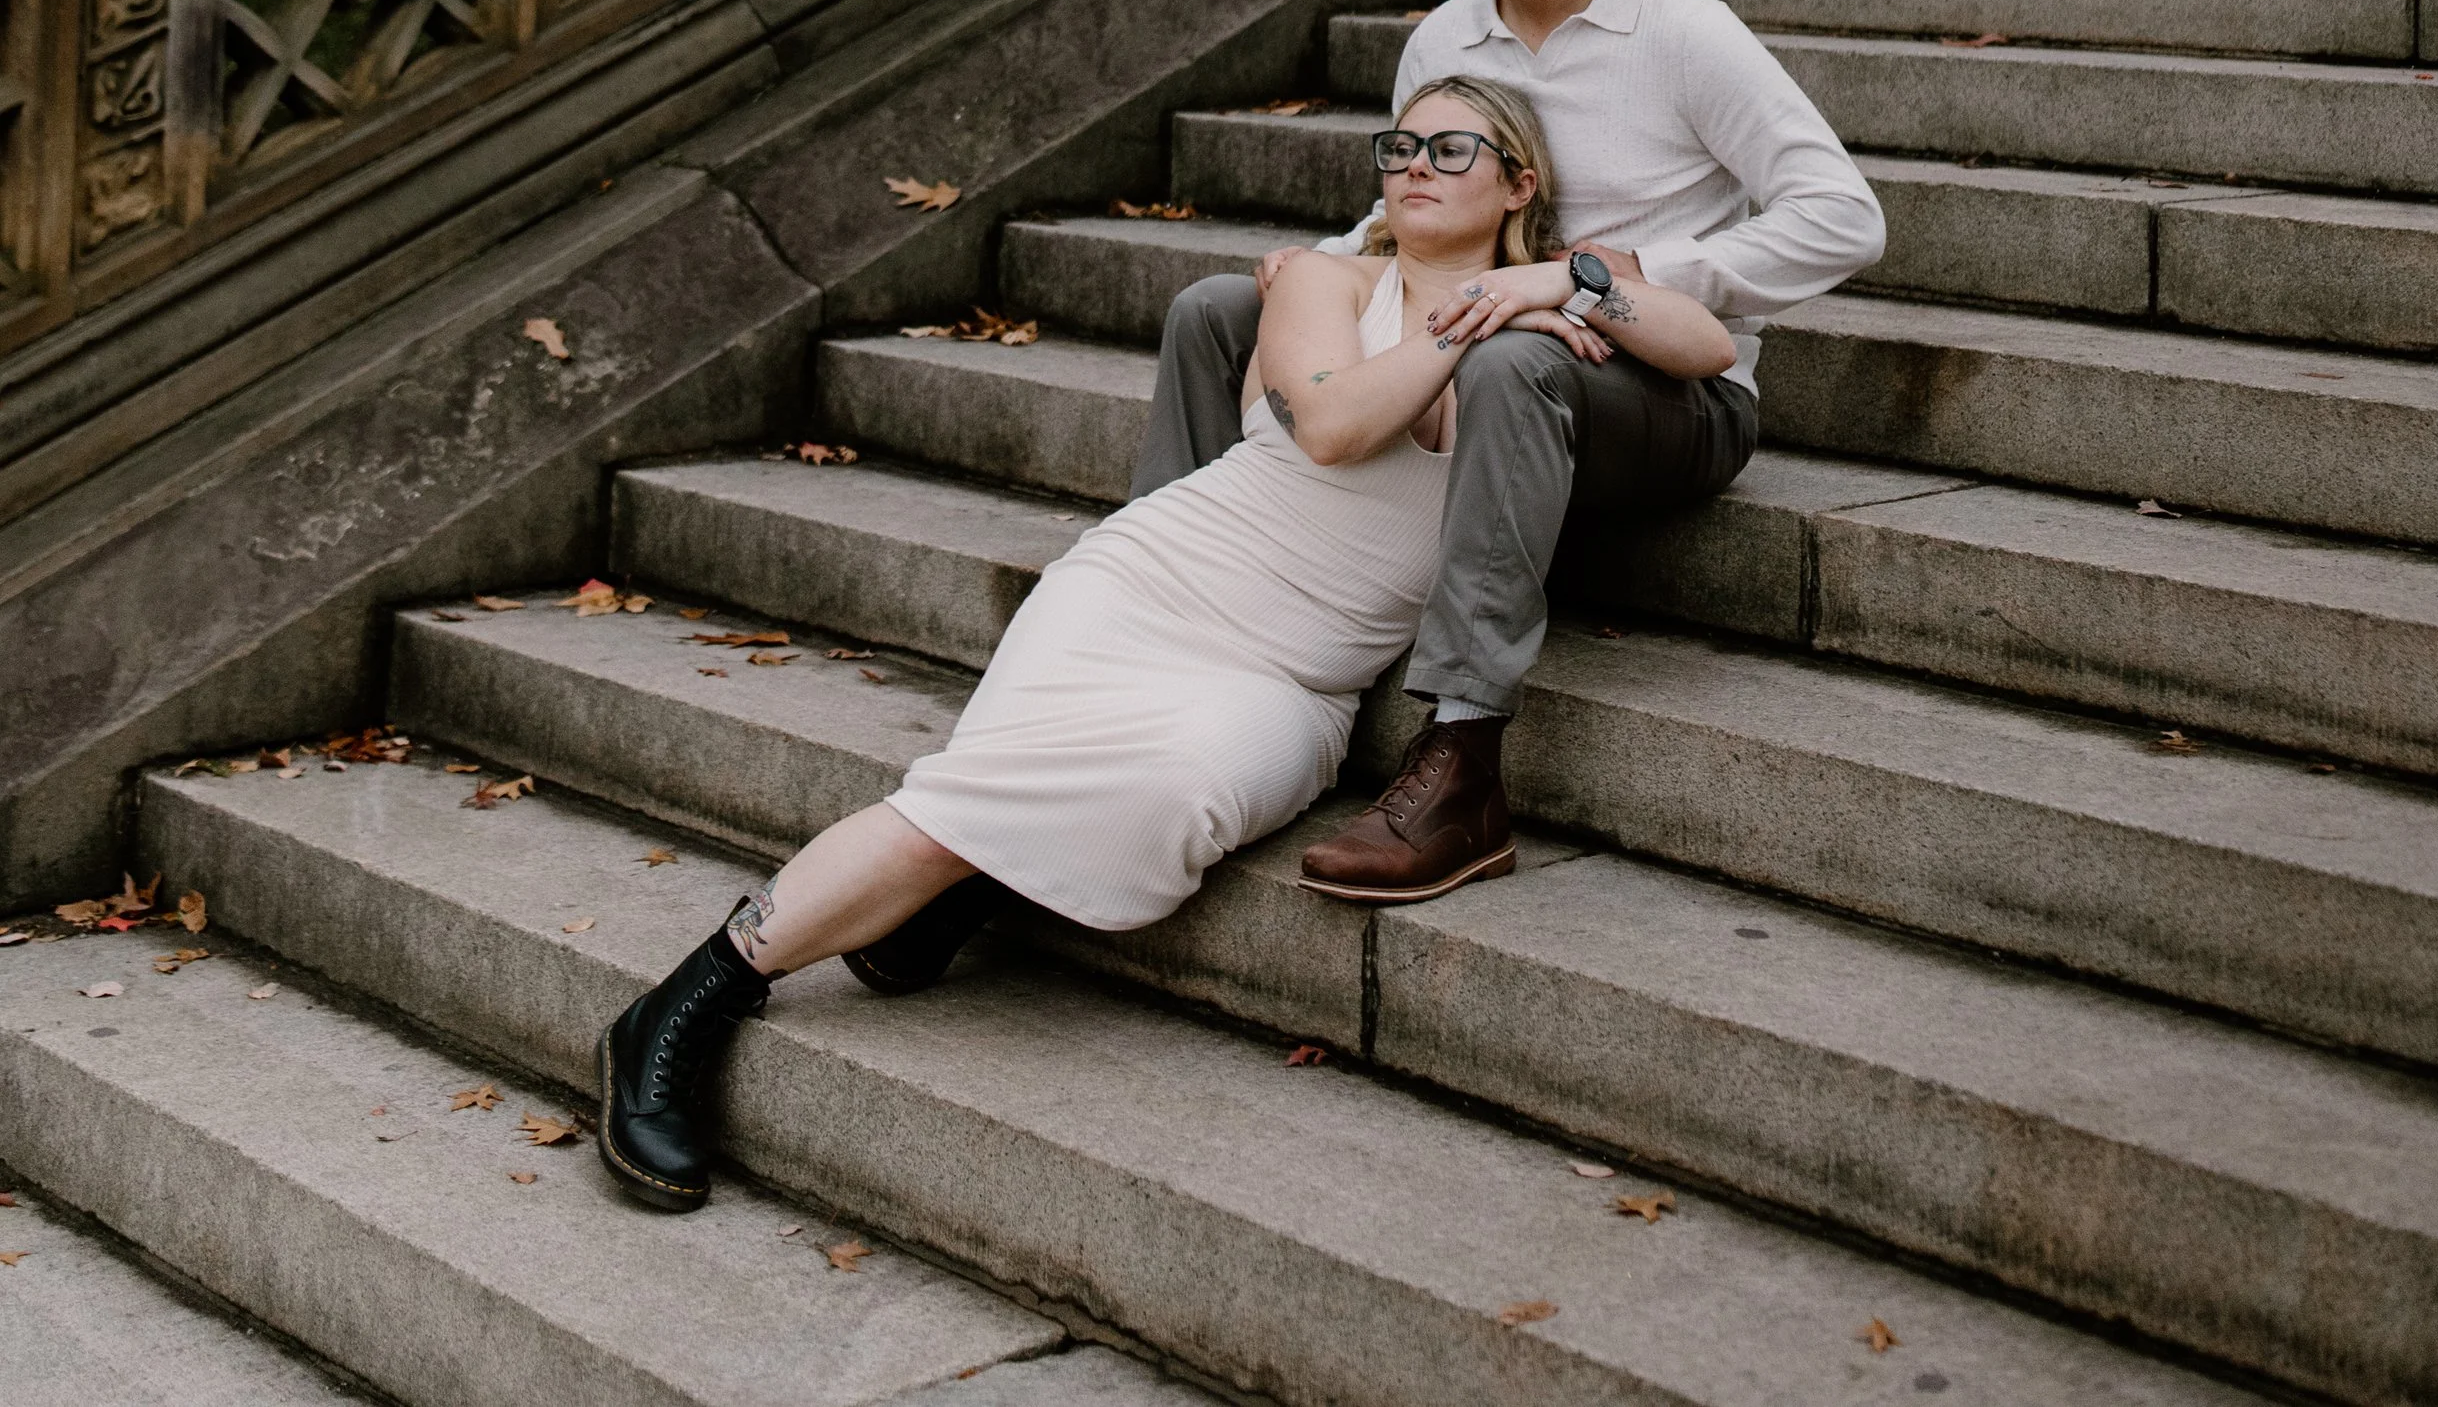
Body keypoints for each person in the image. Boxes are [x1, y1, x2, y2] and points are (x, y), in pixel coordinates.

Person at [595, 74, 1731, 1213]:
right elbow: (1332, 426)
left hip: (1300, 676)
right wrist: (1475, 317)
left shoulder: (1563, 293)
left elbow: (1704, 343)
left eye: (1450, 149)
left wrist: (1551, 283)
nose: (1415, 166)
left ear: (1516, 182)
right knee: (968, 794)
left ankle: (947, 894)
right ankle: (686, 1004)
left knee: (1182, 796)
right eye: (1400, 146)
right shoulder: (1329, 280)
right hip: (1159, 586)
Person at [1132, 0, 1885, 908]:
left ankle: (1464, 761)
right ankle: (1168, 622)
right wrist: (1327, 265)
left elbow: (1844, 218)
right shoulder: (1443, 39)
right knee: (1216, 312)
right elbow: (1418, 197)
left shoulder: (1683, 34)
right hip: (1485, 337)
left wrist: (1620, 275)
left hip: (1662, 386)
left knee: (1518, 354)